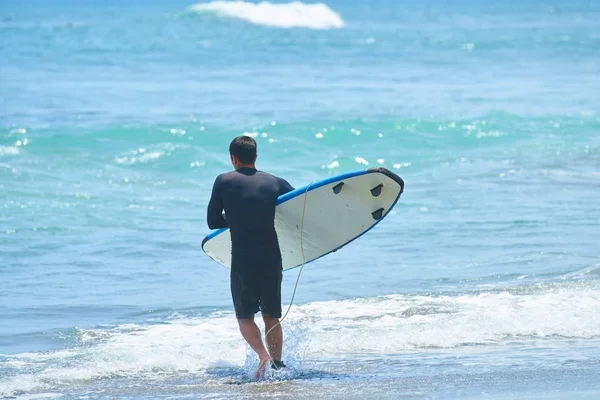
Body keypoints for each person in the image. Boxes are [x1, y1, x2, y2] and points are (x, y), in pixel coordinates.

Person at [207, 135, 295, 378]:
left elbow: (213, 222)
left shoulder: (224, 181)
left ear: (233, 158)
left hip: (243, 258)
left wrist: (236, 219)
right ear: (256, 157)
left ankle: (262, 354)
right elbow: (298, 206)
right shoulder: (274, 182)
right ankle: (278, 364)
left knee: (244, 316)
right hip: (272, 257)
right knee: (272, 315)